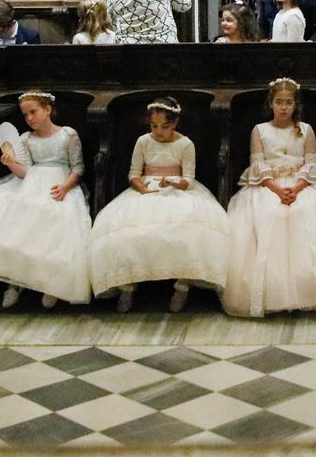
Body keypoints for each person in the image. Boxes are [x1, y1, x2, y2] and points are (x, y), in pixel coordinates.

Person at [223, 78, 316, 317]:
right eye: (279, 102)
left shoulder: (306, 130)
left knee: (305, 212)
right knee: (269, 214)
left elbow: (311, 163)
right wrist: (278, 189)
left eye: (288, 102)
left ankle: (310, 289)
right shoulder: (260, 130)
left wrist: (297, 187)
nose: (283, 107)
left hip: (300, 185)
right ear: (270, 103)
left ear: (295, 105)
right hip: (269, 186)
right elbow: (257, 164)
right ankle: (270, 291)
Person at [0, 92, 91, 309]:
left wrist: (66, 187)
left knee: (55, 222)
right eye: (26, 115)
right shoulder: (26, 139)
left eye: (34, 112)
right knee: (18, 221)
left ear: (48, 109)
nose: (30, 118)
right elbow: (25, 172)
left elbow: (77, 167)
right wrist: (11, 163)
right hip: (32, 183)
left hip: (59, 183)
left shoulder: (67, 135)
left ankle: (52, 284)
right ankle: (15, 283)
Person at [91, 97, 229, 314]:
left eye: (164, 127)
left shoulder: (185, 144)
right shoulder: (143, 142)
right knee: (127, 230)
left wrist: (172, 182)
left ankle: (183, 284)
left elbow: (189, 179)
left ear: (174, 124)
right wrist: (141, 188)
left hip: (178, 190)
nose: (158, 132)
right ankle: (127, 285)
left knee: (186, 231)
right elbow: (134, 174)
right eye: (154, 126)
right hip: (146, 190)